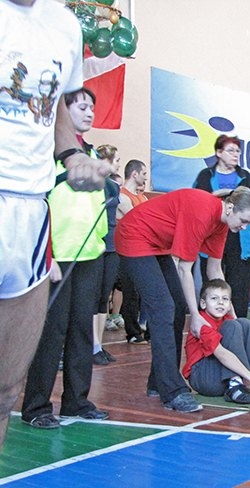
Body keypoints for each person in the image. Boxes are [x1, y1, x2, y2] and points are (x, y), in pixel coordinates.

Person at [0, 0, 113, 445]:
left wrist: (71, 154)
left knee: (6, 389)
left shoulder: (64, 25)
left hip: (30, 210)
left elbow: (53, 106)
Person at [115, 186, 250, 413]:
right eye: (243, 221)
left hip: (158, 244)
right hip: (134, 235)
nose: (244, 227)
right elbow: (185, 269)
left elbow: (215, 270)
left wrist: (230, 311)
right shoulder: (202, 212)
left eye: (248, 224)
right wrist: (195, 315)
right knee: (163, 308)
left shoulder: (222, 224)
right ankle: (172, 391)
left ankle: (158, 382)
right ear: (230, 207)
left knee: (176, 306)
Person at [22, 87, 112, 429]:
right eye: (82, 106)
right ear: (63, 111)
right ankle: (36, 407)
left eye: (92, 108)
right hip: (56, 258)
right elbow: (39, 205)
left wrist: (100, 240)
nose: (89, 113)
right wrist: (47, 257)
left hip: (89, 256)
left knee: (81, 331)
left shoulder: (91, 154)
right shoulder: (49, 154)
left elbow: (95, 203)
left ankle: (76, 402)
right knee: (51, 332)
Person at [182, 279, 250, 403]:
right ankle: (235, 386)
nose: (220, 302)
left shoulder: (228, 319)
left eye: (225, 299)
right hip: (204, 379)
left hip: (219, 376)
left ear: (229, 305)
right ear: (203, 303)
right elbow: (222, 355)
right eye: (214, 298)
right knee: (232, 326)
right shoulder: (202, 323)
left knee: (244, 323)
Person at [194, 135, 250, 319]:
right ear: (219, 152)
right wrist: (220, 194)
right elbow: (196, 204)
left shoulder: (246, 177)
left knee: (239, 288)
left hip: (239, 240)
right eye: (231, 150)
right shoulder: (205, 176)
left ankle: (237, 325)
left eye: (238, 151)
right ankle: (209, 327)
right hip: (211, 235)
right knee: (211, 286)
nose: (236, 154)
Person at [93, 144, 122, 365]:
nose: (119, 164)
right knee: (92, 296)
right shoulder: (94, 185)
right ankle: (89, 344)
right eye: (116, 160)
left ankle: (98, 344)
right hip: (96, 244)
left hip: (112, 245)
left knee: (104, 295)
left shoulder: (114, 187)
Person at [117, 159, 149, 344]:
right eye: (143, 173)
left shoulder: (142, 198)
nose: (146, 177)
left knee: (143, 292)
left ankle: (145, 328)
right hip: (126, 250)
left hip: (142, 249)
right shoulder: (122, 197)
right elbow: (137, 221)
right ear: (134, 174)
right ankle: (132, 332)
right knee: (130, 292)